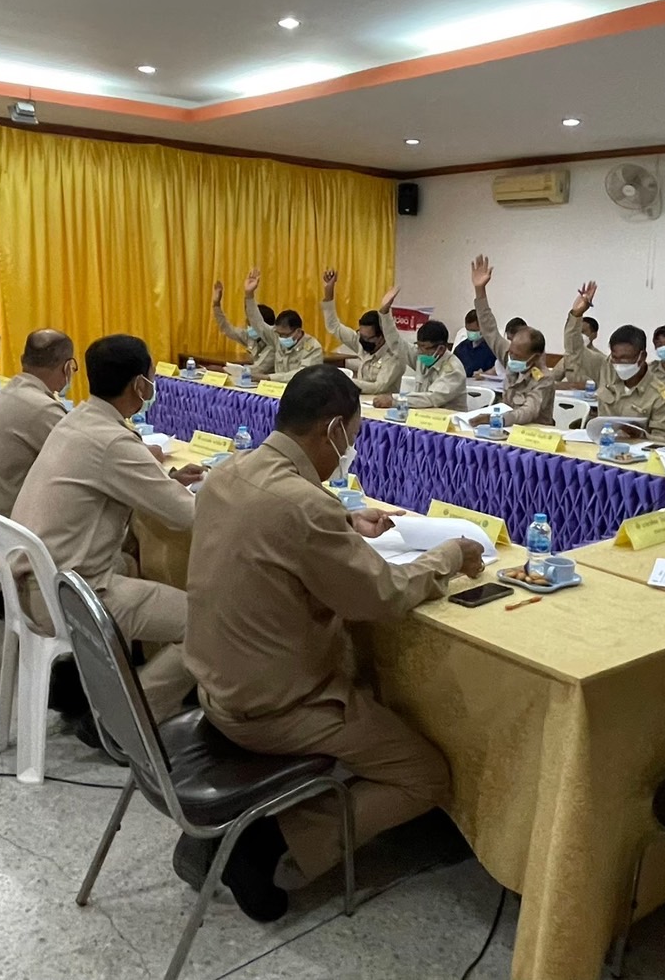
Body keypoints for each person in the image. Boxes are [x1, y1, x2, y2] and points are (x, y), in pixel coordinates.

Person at [183, 365, 485, 921]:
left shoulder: (229, 473)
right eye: (354, 435)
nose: (352, 449)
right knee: (427, 774)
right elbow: (383, 597)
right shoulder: (304, 506)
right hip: (273, 707)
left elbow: (275, 529)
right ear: (333, 431)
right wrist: (448, 553)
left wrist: (343, 522)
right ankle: (276, 846)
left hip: (214, 685)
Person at [13, 334, 204, 733]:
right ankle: (127, 723)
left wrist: (164, 479)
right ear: (139, 385)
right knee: (209, 622)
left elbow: (114, 481)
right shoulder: (113, 440)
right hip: (70, 596)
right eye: (151, 378)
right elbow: (186, 515)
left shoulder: (78, 419)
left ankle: (112, 682)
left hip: (34, 583)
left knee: (133, 562)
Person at [0, 330, 75, 567]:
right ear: (67, 368)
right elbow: (84, 463)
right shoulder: (41, 408)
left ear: (23, 361)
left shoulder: (10, 393)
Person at [564, 284, 665, 441]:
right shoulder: (605, 367)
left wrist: (642, 436)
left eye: (626, 358)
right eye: (615, 357)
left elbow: (664, 441)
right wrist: (576, 314)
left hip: (636, 457)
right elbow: (574, 350)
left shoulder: (661, 396)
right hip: (601, 447)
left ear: (642, 356)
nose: (619, 364)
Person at [470, 255, 555, 425]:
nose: (511, 359)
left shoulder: (544, 378)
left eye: (517, 356)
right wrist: (480, 291)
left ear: (534, 357)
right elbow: (490, 331)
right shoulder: (511, 356)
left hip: (533, 437)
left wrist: (497, 419)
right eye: (511, 353)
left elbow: (528, 412)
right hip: (506, 431)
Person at [320, 269, 406, 395]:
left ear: (382, 337)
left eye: (368, 338)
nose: (362, 341)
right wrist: (328, 293)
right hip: (359, 401)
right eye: (361, 335)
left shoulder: (395, 355)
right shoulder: (361, 342)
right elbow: (334, 326)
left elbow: (378, 387)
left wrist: (346, 382)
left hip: (381, 407)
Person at [374, 300, 467, 410]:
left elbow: (431, 398)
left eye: (424, 347)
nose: (420, 352)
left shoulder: (453, 370)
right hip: (422, 416)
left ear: (441, 349)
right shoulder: (423, 356)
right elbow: (397, 344)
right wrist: (384, 314)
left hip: (447, 421)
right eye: (419, 346)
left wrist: (394, 401)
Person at [244, 268, 324, 380]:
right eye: (279, 334)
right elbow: (258, 323)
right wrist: (249, 295)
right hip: (276, 391)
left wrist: (268, 378)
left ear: (298, 331)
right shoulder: (276, 336)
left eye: (285, 335)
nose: (281, 338)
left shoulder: (313, 347)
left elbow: (301, 376)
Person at [212, 280, 277, 374]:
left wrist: (225, 370)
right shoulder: (250, 337)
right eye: (248, 324)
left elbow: (257, 369)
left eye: (252, 324)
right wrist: (216, 305)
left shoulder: (273, 344)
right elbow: (227, 329)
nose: (249, 327)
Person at [550, 315, 602, 387]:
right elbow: (552, 378)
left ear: (594, 335)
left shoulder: (601, 359)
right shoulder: (569, 357)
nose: (579, 336)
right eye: (578, 333)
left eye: (583, 332)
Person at [453, 309, 497, 378]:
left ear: (482, 328)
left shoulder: (493, 348)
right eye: (468, 330)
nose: (470, 333)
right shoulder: (460, 348)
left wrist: (485, 374)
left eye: (473, 330)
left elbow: (499, 371)